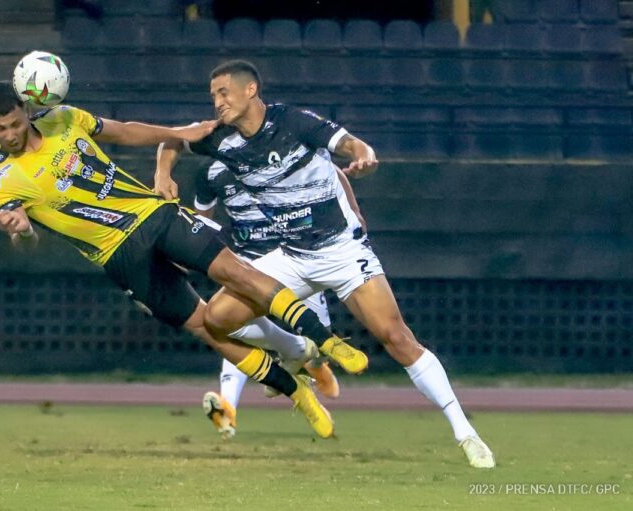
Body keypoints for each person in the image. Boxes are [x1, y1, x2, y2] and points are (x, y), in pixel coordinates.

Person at [154, 60, 496, 468]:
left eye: (223, 93)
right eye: (212, 95)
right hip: (291, 257)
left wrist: (365, 154)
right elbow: (170, 139)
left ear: (251, 90)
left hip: (341, 252)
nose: (217, 102)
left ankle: (466, 434)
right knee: (217, 319)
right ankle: (296, 352)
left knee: (398, 338)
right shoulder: (220, 138)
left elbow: (350, 144)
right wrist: (162, 173)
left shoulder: (293, 122)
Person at [0, 80, 365, 438]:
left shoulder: (62, 118)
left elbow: (125, 131)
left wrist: (178, 135)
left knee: (237, 273)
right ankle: (296, 393)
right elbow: (25, 244)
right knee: (206, 328)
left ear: (25, 112)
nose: (9, 135)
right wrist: (23, 231)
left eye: (13, 124)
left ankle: (326, 340)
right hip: (118, 256)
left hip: (153, 215)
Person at [195, 159, 350, 439]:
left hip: (292, 259)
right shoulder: (210, 170)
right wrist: (162, 170)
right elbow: (200, 221)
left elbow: (330, 173)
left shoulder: (273, 150)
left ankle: (314, 364)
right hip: (247, 263)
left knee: (320, 337)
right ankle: (228, 406)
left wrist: (351, 211)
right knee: (233, 332)